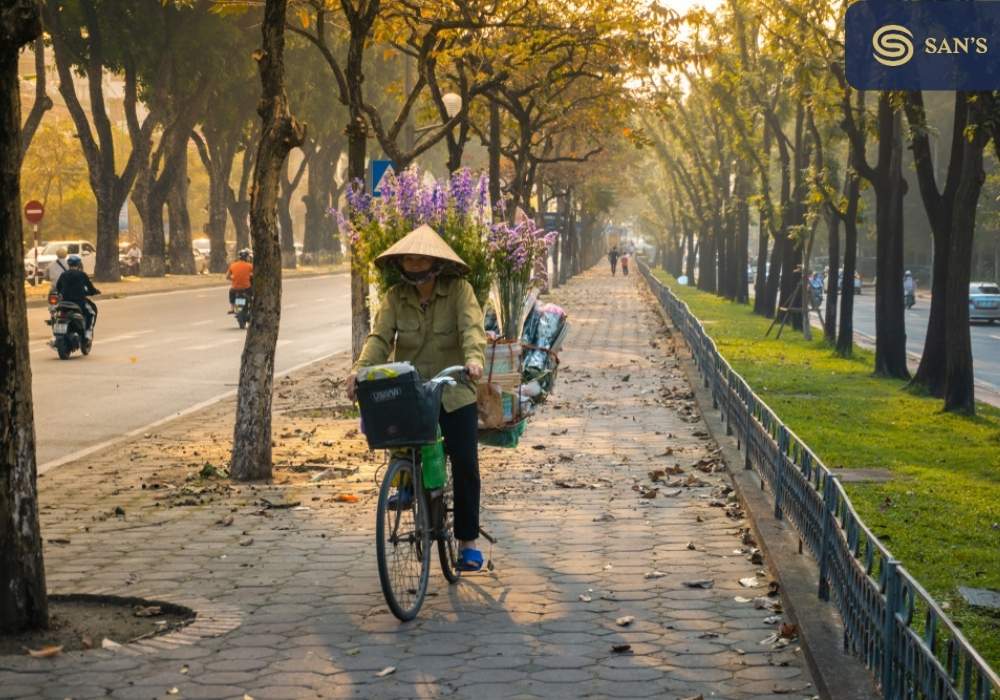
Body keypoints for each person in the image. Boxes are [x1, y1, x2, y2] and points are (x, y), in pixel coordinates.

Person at [346, 224, 487, 572]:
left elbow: (472, 328)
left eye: (421, 258)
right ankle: (406, 479)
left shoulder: (459, 291)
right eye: (409, 258)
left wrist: (473, 360)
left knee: (465, 462)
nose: (414, 264)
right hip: (411, 390)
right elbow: (380, 338)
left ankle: (467, 541)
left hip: (454, 389)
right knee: (398, 435)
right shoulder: (395, 297)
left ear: (436, 263)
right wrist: (359, 370)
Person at [55, 255, 100, 336]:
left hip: (64, 302)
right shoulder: (82, 275)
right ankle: (88, 332)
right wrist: (94, 291)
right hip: (79, 302)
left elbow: (58, 287)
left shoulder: (63, 274)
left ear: (68, 264)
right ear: (79, 264)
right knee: (91, 313)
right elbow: (90, 287)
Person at [226, 249, 253, 314]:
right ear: (247, 257)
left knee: (231, 292)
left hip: (235, 288)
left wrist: (234, 279)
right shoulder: (250, 265)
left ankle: (232, 309)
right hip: (246, 288)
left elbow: (227, 277)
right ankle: (253, 307)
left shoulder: (233, 265)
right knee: (253, 295)